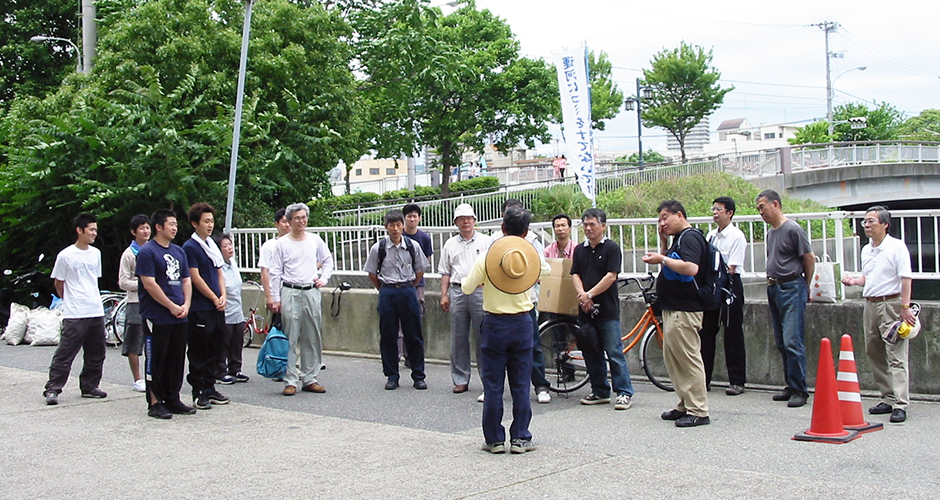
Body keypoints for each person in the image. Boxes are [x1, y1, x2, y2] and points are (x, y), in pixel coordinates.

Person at [462, 206, 550, 454]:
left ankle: (494, 439)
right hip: (522, 322)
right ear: (526, 231)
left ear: (502, 228)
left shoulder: (488, 257)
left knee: (493, 385)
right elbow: (547, 270)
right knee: (521, 383)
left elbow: (467, 287)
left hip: (495, 323)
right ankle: (521, 437)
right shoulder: (530, 256)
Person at [842, 206, 914, 423]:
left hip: (891, 303)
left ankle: (901, 403)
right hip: (871, 304)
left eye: (871, 221)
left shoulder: (896, 247)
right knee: (873, 351)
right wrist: (855, 281)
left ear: (885, 224)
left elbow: (906, 278)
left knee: (896, 354)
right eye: (865, 221)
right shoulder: (867, 249)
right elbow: (869, 276)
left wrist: (905, 307)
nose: (866, 225)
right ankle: (888, 397)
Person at [642, 201, 710, 427]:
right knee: (674, 360)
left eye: (665, 217)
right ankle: (685, 403)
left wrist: (661, 258)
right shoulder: (678, 239)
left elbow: (691, 268)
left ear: (679, 215)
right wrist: (663, 246)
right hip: (673, 307)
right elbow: (671, 266)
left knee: (688, 359)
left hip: (685, 308)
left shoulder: (690, 237)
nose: (662, 223)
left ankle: (698, 410)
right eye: (660, 219)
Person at [572, 208, 635, 412]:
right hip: (585, 310)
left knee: (614, 351)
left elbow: (611, 276)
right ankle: (600, 391)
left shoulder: (611, 248)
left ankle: (624, 392)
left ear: (603, 226)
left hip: (606, 309)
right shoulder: (580, 250)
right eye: (585, 224)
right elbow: (575, 274)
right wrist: (582, 295)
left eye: (592, 224)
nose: (588, 228)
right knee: (591, 351)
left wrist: (590, 295)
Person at [756, 189, 815, 408]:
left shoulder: (793, 229)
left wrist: (805, 286)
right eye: (758, 209)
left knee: (792, 339)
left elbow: (808, 258)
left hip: (792, 286)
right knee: (781, 341)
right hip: (774, 288)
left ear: (776, 204)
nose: (761, 212)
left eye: (763, 206)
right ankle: (791, 384)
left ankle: (800, 388)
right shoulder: (772, 233)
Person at [42, 214, 108, 406]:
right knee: (66, 351)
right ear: (80, 230)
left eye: (96, 230)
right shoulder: (65, 255)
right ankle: (53, 388)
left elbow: (94, 278)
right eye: (91, 230)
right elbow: (58, 282)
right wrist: (69, 300)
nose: (94, 233)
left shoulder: (96, 253)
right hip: (75, 312)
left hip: (95, 308)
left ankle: (89, 385)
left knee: (97, 352)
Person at [269, 203, 334, 396]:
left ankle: (309, 377)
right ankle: (290, 379)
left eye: (304, 217)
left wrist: (323, 279)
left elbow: (328, 259)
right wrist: (275, 298)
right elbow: (274, 272)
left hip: (311, 290)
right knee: (290, 336)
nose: (301, 221)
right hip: (290, 291)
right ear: (289, 221)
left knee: (312, 335)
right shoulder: (281, 243)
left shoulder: (314, 240)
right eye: (297, 218)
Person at [136, 209, 196, 419]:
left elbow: (186, 280)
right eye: (170, 224)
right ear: (158, 227)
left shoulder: (179, 251)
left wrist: (186, 304)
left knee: (176, 358)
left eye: (176, 224)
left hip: (180, 315)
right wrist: (170, 305)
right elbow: (149, 284)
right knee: (157, 358)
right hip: (158, 315)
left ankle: (173, 397)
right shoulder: (148, 252)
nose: (174, 228)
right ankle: (155, 401)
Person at [491, 199, 550, 404]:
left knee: (533, 345)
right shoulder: (495, 240)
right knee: (501, 353)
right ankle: (497, 389)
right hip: (500, 303)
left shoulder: (532, 241)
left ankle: (541, 385)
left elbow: (544, 269)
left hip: (526, 301)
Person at [364, 210, 429, 390]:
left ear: (402, 226)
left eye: (398, 225)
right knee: (388, 334)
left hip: (408, 290)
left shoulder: (412, 246)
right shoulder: (379, 248)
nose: (395, 229)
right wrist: (384, 289)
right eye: (391, 225)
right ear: (386, 227)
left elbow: (420, 269)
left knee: (414, 334)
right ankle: (392, 375)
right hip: (388, 291)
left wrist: (411, 286)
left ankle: (418, 375)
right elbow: (371, 273)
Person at [439, 203, 491, 394]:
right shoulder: (450, 244)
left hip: (480, 290)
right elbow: (445, 271)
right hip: (457, 290)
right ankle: (460, 378)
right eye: (462, 218)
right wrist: (444, 295)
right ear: (456, 222)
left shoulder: (486, 241)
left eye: (469, 218)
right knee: (459, 337)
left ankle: (488, 379)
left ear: (475, 220)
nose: (466, 221)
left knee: (483, 336)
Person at [182, 203, 230, 410]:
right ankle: (198, 390)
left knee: (216, 347)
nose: (210, 225)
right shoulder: (190, 247)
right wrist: (212, 297)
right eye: (206, 221)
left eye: (212, 221)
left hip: (216, 306)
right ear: (195, 224)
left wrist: (223, 295)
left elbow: (220, 271)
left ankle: (210, 386)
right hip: (200, 307)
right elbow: (195, 276)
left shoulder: (211, 244)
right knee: (199, 349)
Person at [700, 197, 748, 396]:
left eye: (719, 209)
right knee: (707, 332)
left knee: (732, 332)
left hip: (730, 284)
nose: (715, 213)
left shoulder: (737, 236)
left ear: (730, 213)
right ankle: (704, 379)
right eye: (713, 209)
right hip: (713, 286)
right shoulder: (710, 236)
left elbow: (732, 267)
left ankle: (737, 381)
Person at [118, 214, 151, 393]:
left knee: (152, 341)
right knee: (134, 342)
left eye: (147, 227)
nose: (146, 231)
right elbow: (123, 282)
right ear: (134, 232)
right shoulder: (129, 254)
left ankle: (150, 375)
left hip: (154, 302)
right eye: (142, 228)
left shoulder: (154, 249)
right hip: (135, 302)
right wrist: (145, 284)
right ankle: (137, 379)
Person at [401, 203, 434, 364]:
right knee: (398, 320)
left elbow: (425, 262)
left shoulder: (424, 238)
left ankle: (412, 355)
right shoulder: (397, 235)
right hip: (399, 284)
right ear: (404, 219)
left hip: (418, 283)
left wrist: (415, 279)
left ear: (419, 218)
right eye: (409, 216)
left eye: (415, 216)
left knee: (415, 319)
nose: (412, 219)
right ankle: (398, 354)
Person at [215, 233, 249, 385]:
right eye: (225, 246)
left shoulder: (232, 263)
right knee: (223, 342)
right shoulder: (218, 267)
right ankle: (220, 371)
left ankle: (235, 368)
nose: (230, 248)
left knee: (237, 340)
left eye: (230, 244)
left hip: (237, 309)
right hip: (225, 310)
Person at [258, 208, 290, 313]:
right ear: (276, 224)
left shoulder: (299, 243)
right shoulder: (269, 245)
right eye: (284, 222)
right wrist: (269, 296)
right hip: (277, 293)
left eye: (289, 221)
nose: (287, 225)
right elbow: (264, 271)